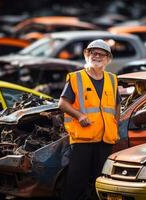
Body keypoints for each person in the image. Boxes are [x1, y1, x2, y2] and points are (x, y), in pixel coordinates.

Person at [58, 39, 121, 200]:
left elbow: (117, 105)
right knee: (76, 181)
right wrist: (79, 116)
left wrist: (115, 125)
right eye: (93, 53)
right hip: (83, 139)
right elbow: (62, 104)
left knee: (99, 181)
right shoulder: (76, 77)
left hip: (105, 139)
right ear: (87, 55)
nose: (97, 57)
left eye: (101, 54)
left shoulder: (112, 79)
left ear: (108, 59)